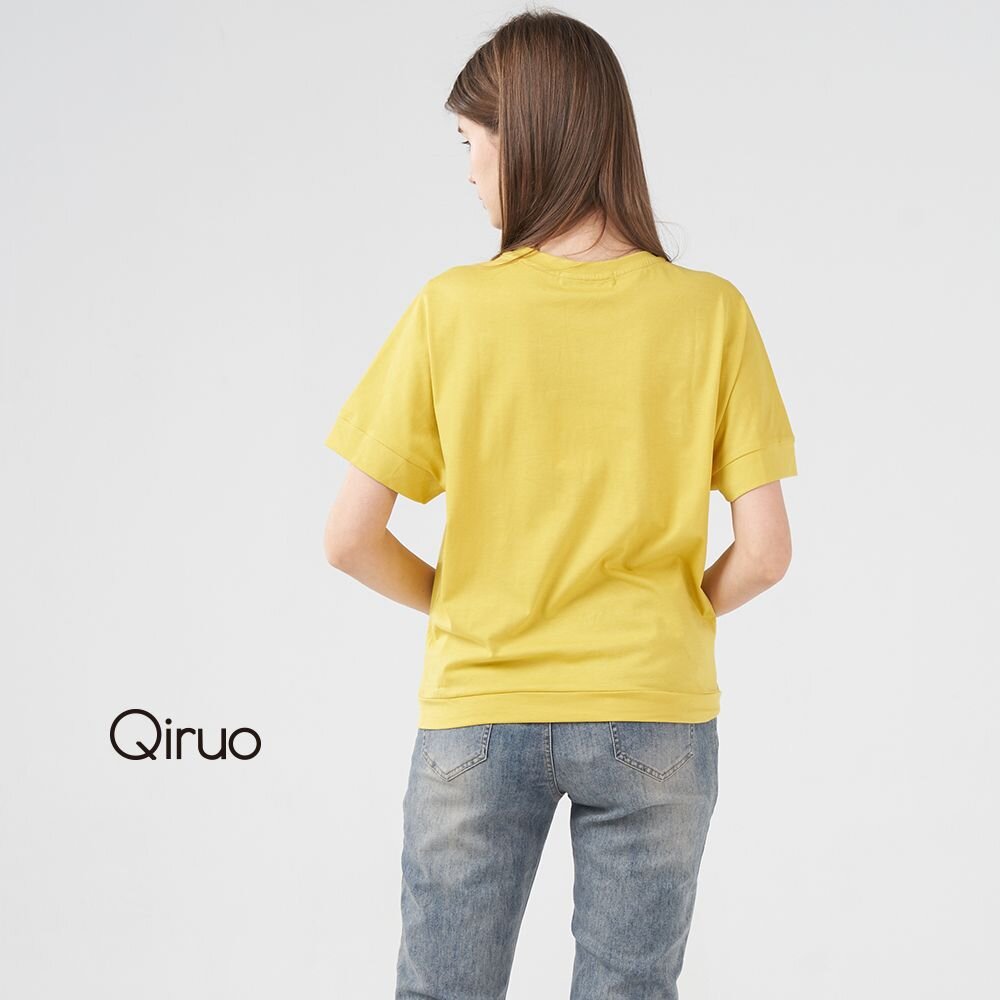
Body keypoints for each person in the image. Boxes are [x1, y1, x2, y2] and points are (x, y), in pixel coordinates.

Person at [322, 9, 797, 999]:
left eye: (470, 141)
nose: (467, 170)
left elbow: (349, 539)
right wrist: (674, 615)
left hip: (479, 709)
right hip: (653, 711)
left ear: (524, 137)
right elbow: (764, 553)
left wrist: (461, 603)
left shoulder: (452, 308)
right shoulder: (711, 312)